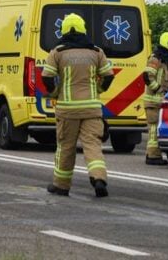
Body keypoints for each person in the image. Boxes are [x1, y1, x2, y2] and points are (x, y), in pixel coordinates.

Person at [40, 13, 114, 198]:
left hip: (67, 109)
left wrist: (55, 92)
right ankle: (98, 178)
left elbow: (46, 77)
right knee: (93, 145)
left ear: (64, 30)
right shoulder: (96, 52)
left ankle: (61, 186)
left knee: (66, 147)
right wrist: (98, 90)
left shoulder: (57, 52)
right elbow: (109, 75)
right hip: (91, 108)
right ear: (83, 30)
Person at [143, 31, 168, 166]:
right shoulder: (155, 59)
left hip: (160, 101)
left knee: (156, 128)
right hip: (153, 100)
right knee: (154, 128)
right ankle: (153, 156)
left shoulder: (165, 60)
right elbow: (147, 76)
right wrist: (159, 89)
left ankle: (152, 153)